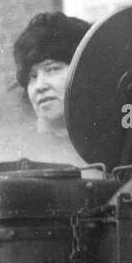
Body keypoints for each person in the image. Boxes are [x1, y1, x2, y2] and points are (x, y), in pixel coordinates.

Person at [12, 11, 92, 166]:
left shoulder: (117, 143)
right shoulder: (20, 153)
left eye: (52, 69)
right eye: (32, 77)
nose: (40, 86)